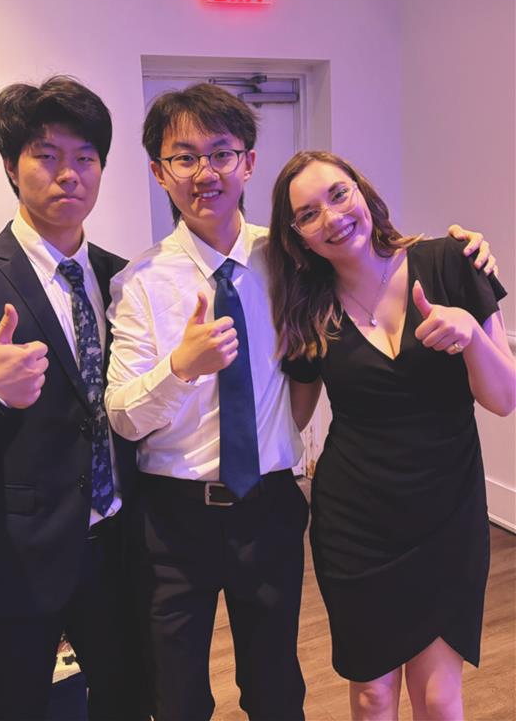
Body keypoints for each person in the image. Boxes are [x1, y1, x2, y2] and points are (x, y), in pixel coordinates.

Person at [103, 82, 494, 721]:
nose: (205, 172)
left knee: (277, 691)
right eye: (184, 157)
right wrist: (180, 368)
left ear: (248, 163)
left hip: (270, 507)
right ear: (158, 172)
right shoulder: (139, 283)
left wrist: (464, 254)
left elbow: (375, 261)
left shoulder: (292, 258)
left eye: (222, 153)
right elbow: (122, 416)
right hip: (175, 519)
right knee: (177, 695)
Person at [0, 76, 148, 721]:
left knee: (128, 702)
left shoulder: (123, 278)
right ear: (11, 168)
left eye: (86, 157)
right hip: (14, 553)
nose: (69, 174)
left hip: (118, 545)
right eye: (46, 156)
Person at [267, 150, 514, 721]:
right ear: (298, 237)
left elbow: (504, 399)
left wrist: (471, 334)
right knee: (374, 695)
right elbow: (290, 420)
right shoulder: (309, 309)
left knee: (438, 698)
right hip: (356, 523)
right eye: (307, 214)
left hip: (447, 512)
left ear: (362, 191)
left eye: (338, 194)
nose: (331, 218)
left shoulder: (452, 261)